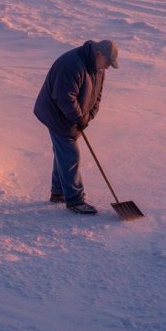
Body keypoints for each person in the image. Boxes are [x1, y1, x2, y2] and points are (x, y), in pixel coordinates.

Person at [33, 39, 119, 214]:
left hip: (74, 117)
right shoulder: (71, 65)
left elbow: (97, 96)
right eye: (108, 62)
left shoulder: (98, 69)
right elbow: (64, 98)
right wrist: (78, 118)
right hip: (56, 114)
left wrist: (88, 117)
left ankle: (58, 192)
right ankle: (75, 200)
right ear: (98, 54)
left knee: (63, 153)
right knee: (70, 155)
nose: (108, 67)